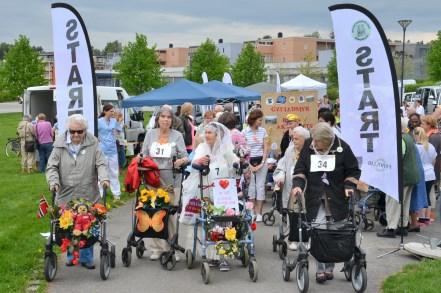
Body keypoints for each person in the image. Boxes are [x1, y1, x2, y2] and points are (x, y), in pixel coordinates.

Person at [291, 122, 361, 283]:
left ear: (328, 140)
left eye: (318, 142)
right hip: (315, 198)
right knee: (319, 233)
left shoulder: (342, 148)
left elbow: (353, 170)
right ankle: (321, 270)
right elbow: (300, 169)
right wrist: (297, 186)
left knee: (335, 233)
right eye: (313, 140)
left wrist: (349, 186)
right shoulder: (309, 145)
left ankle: (330, 268)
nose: (314, 144)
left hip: (336, 198)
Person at [46, 114, 110, 269]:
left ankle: (86, 258)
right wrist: (53, 182)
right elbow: (52, 166)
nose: (76, 135)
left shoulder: (93, 144)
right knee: (68, 226)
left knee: (87, 225)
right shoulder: (59, 146)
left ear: (85, 130)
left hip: (88, 192)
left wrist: (104, 178)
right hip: (66, 194)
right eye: (73, 131)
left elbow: (101, 163)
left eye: (79, 132)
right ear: (68, 130)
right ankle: (71, 255)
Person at [181, 121, 238, 271]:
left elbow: (235, 164)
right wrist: (198, 161)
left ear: (217, 135)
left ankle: (223, 256)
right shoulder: (201, 148)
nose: (206, 135)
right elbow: (193, 162)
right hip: (204, 189)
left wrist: (238, 165)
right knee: (206, 221)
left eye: (210, 133)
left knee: (223, 221)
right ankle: (210, 255)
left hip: (222, 192)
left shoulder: (226, 150)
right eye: (205, 132)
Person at [142, 106, 188, 261]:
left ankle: (171, 246)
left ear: (172, 120)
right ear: (158, 119)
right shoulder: (150, 134)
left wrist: (181, 160)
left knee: (170, 216)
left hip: (171, 181)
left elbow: (185, 156)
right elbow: (143, 154)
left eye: (169, 117)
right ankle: (155, 248)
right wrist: (142, 160)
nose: (166, 120)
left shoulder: (177, 136)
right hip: (152, 181)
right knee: (153, 213)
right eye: (163, 117)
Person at [377, 118, 419, 238]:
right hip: (410, 175)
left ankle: (391, 228)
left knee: (393, 202)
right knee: (405, 202)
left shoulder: (400, 140)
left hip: (402, 176)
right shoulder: (408, 137)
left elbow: (396, 159)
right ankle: (402, 226)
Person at [273, 126, 310, 250]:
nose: (294, 141)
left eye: (297, 139)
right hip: (291, 186)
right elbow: (282, 166)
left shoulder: (310, 151)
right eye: (293, 138)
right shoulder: (289, 151)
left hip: (306, 187)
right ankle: (293, 239)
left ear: (305, 139)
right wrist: (281, 176)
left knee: (305, 213)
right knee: (293, 214)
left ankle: (305, 240)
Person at [243, 109, 269, 222]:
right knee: (251, 187)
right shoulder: (244, 132)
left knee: (260, 186)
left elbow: (266, 147)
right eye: (259, 120)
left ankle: (259, 212)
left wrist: (262, 162)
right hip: (249, 161)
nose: (261, 122)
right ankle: (252, 211)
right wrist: (249, 165)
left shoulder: (263, 131)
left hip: (261, 161)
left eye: (261, 120)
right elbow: (242, 150)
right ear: (253, 120)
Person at [413, 127, 436, 227]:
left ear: (416, 135)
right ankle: (427, 218)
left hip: (421, 174)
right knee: (427, 196)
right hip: (431, 173)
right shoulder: (430, 146)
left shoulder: (417, 147)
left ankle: (421, 218)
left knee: (421, 196)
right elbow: (433, 161)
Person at [98, 104, 122, 200]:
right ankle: (101, 193)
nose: (112, 113)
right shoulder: (98, 121)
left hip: (112, 149)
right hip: (102, 149)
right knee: (102, 171)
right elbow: (94, 133)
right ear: (105, 111)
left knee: (114, 172)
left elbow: (119, 130)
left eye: (113, 111)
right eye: (111, 111)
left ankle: (116, 193)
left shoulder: (113, 121)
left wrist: (118, 124)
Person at [421, 115, 441, 222]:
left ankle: (429, 214)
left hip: (432, 167)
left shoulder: (433, 137)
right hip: (433, 167)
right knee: (431, 190)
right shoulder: (435, 135)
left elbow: (430, 154)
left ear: (429, 125)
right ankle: (429, 214)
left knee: (430, 191)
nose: (422, 125)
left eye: (423, 123)